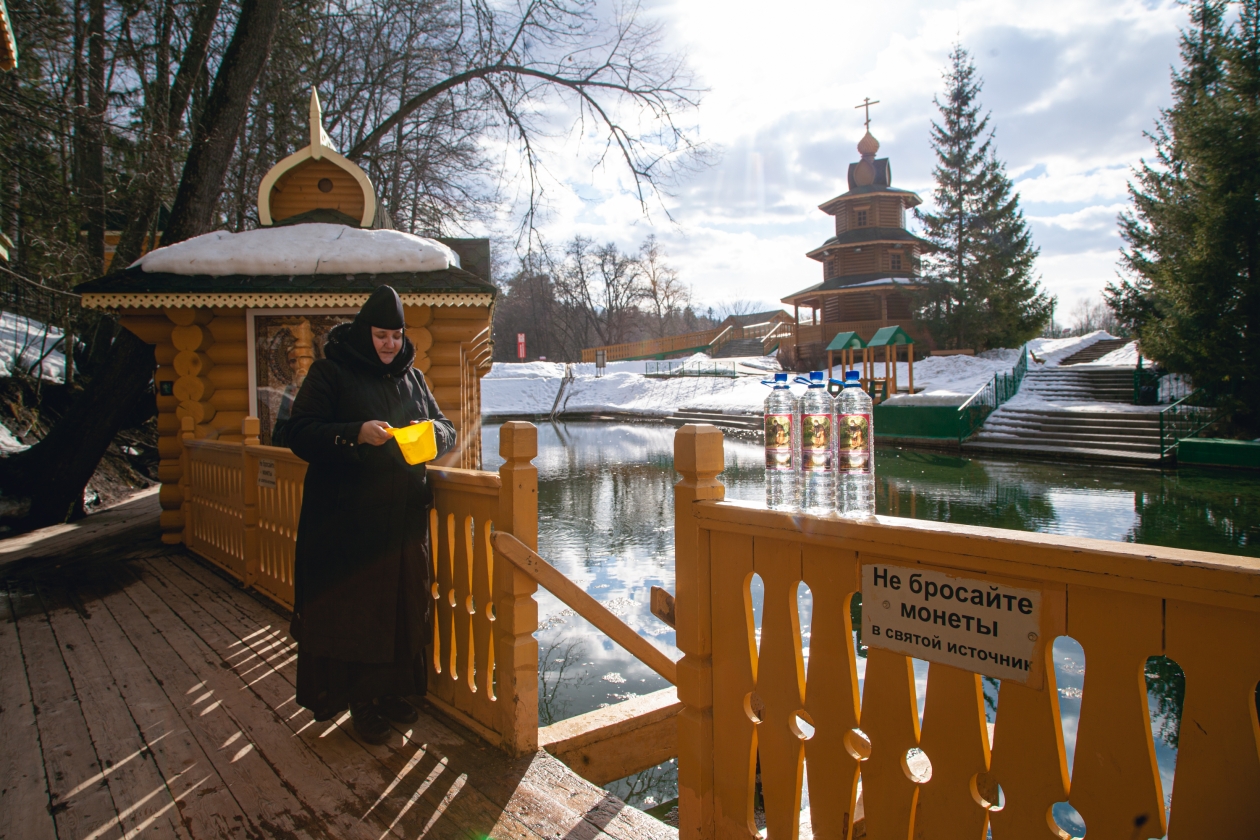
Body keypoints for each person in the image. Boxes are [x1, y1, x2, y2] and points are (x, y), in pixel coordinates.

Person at [285, 285, 456, 744]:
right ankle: (361, 703)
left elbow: (447, 427)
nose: (389, 345)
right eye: (381, 336)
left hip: (402, 522)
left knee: (401, 609)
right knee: (358, 615)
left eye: (396, 337)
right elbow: (298, 432)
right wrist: (354, 433)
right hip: (348, 522)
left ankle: (390, 693)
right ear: (365, 333)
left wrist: (431, 435)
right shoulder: (330, 372)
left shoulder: (413, 379)